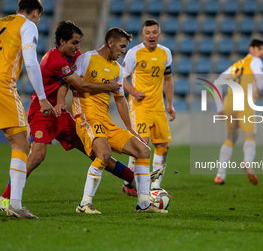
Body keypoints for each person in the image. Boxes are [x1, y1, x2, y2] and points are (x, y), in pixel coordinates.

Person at [0, 20, 152, 214]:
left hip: (61, 114)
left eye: (79, 43)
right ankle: (6, 199)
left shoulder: (77, 56)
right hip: (43, 111)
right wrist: (108, 87)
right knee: (37, 156)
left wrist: (62, 103)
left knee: (97, 150)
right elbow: (80, 85)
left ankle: (132, 179)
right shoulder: (53, 60)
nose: (77, 48)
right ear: (62, 42)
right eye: (74, 43)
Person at [72, 27, 167, 213]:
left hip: (105, 121)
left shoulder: (116, 69)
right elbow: (69, 81)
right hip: (87, 117)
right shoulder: (87, 59)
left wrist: (130, 128)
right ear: (110, 43)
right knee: (104, 154)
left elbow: (120, 98)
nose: (123, 51)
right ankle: (84, 204)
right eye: (122, 46)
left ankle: (144, 204)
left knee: (143, 150)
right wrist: (60, 102)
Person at [0, 0, 55, 219]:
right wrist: (42, 98)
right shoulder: (28, 25)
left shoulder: (2, 22)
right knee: (21, 144)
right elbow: (31, 62)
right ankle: (14, 204)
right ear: (35, 13)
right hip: (3, 87)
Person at [121, 19, 176, 196]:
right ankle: (129, 182)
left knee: (163, 145)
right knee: (141, 145)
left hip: (158, 106)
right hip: (140, 106)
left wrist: (170, 104)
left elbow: (168, 79)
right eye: (148, 32)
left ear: (159, 34)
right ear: (143, 35)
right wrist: (134, 92)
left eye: (154, 32)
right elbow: (121, 78)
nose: (151, 35)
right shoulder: (134, 53)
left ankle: (155, 186)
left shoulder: (166, 53)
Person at [213, 38, 263, 185]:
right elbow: (262, 84)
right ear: (251, 48)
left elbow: (217, 83)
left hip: (230, 103)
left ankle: (220, 174)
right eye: (260, 49)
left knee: (230, 138)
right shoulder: (256, 62)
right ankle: (247, 162)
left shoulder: (237, 65)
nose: (262, 53)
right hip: (245, 103)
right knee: (250, 136)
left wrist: (220, 108)